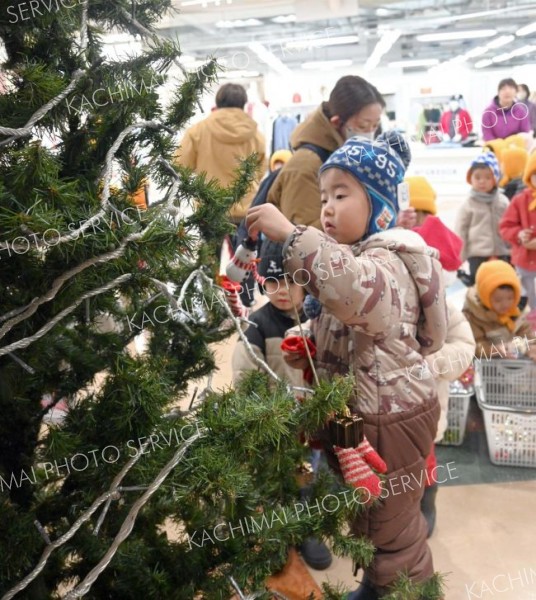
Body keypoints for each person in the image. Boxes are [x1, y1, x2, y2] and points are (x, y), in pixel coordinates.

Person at [247, 131, 447, 599]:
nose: (328, 208)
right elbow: (350, 322)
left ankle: (403, 591)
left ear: (379, 207)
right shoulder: (359, 257)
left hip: (389, 421)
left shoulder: (390, 259)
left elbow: (359, 294)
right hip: (361, 414)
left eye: (342, 194)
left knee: (392, 532)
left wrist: (292, 235)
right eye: (323, 197)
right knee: (372, 520)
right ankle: (378, 585)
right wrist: (314, 345)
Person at [231, 240, 333, 571]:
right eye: (272, 282)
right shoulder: (258, 325)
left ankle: (307, 529)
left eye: (290, 281)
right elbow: (245, 376)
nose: (281, 290)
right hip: (274, 422)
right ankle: (277, 534)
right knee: (273, 478)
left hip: (311, 421)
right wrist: (265, 412)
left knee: (310, 474)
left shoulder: (320, 321)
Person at [412, 217, 475, 538]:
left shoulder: (449, 311)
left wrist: (431, 364)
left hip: (428, 400)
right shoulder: (394, 301)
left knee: (425, 457)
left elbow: (465, 347)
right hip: (387, 401)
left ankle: (427, 499)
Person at [267, 75, 385, 229]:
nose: (370, 133)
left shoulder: (354, 157)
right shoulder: (305, 166)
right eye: (363, 126)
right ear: (336, 122)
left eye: (375, 126)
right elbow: (301, 238)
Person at [174, 83, 266, 224]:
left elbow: (180, 166)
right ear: (243, 103)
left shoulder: (197, 132)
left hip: (209, 208)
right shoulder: (255, 134)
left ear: (217, 103)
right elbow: (260, 169)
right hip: (246, 210)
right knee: (243, 247)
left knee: (210, 247)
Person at [454, 151, 510, 285]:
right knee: (480, 285)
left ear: (495, 179)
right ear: (470, 179)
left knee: (503, 284)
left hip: (503, 252)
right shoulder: (468, 204)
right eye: (477, 177)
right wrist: (460, 257)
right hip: (477, 255)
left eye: (487, 177)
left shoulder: (503, 201)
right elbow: (461, 231)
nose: (482, 181)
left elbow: (510, 224)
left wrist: (512, 248)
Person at [462, 260, 536, 360]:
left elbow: (526, 333)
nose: (505, 304)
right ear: (485, 297)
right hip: (490, 365)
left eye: (510, 298)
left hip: (516, 363)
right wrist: (493, 349)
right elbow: (473, 345)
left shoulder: (518, 310)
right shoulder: (473, 315)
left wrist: (530, 347)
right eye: (498, 300)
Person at [499, 151, 536, 309]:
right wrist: (519, 235)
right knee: (526, 296)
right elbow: (505, 226)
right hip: (524, 260)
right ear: (529, 177)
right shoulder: (520, 199)